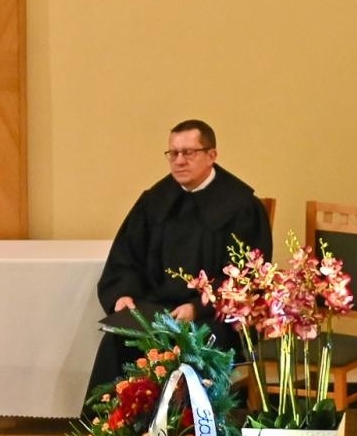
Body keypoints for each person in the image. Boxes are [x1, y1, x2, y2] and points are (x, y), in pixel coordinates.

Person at [85, 119, 272, 405]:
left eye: (189, 153)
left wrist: (197, 308)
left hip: (213, 318)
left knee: (195, 344)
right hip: (156, 310)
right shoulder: (154, 201)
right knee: (117, 341)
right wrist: (121, 295)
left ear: (212, 155)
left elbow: (247, 278)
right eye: (173, 153)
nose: (179, 161)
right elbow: (126, 256)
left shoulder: (241, 207)